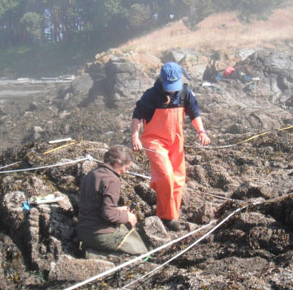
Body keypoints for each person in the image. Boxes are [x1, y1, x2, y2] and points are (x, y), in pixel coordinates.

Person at [131, 62, 210, 231]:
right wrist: (135, 137)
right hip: (154, 141)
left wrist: (201, 132)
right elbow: (137, 115)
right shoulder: (151, 95)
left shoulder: (185, 92)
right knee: (166, 176)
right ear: (162, 80)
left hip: (176, 141)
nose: (172, 90)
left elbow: (195, 113)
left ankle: (172, 214)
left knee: (178, 178)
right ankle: (166, 216)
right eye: (169, 86)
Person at [77, 145, 148, 255]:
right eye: (126, 168)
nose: (125, 172)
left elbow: (94, 204)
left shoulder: (92, 173)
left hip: (83, 231)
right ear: (118, 162)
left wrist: (117, 209)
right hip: (99, 235)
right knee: (140, 249)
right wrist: (128, 216)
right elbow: (108, 214)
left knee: (123, 227)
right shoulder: (112, 180)